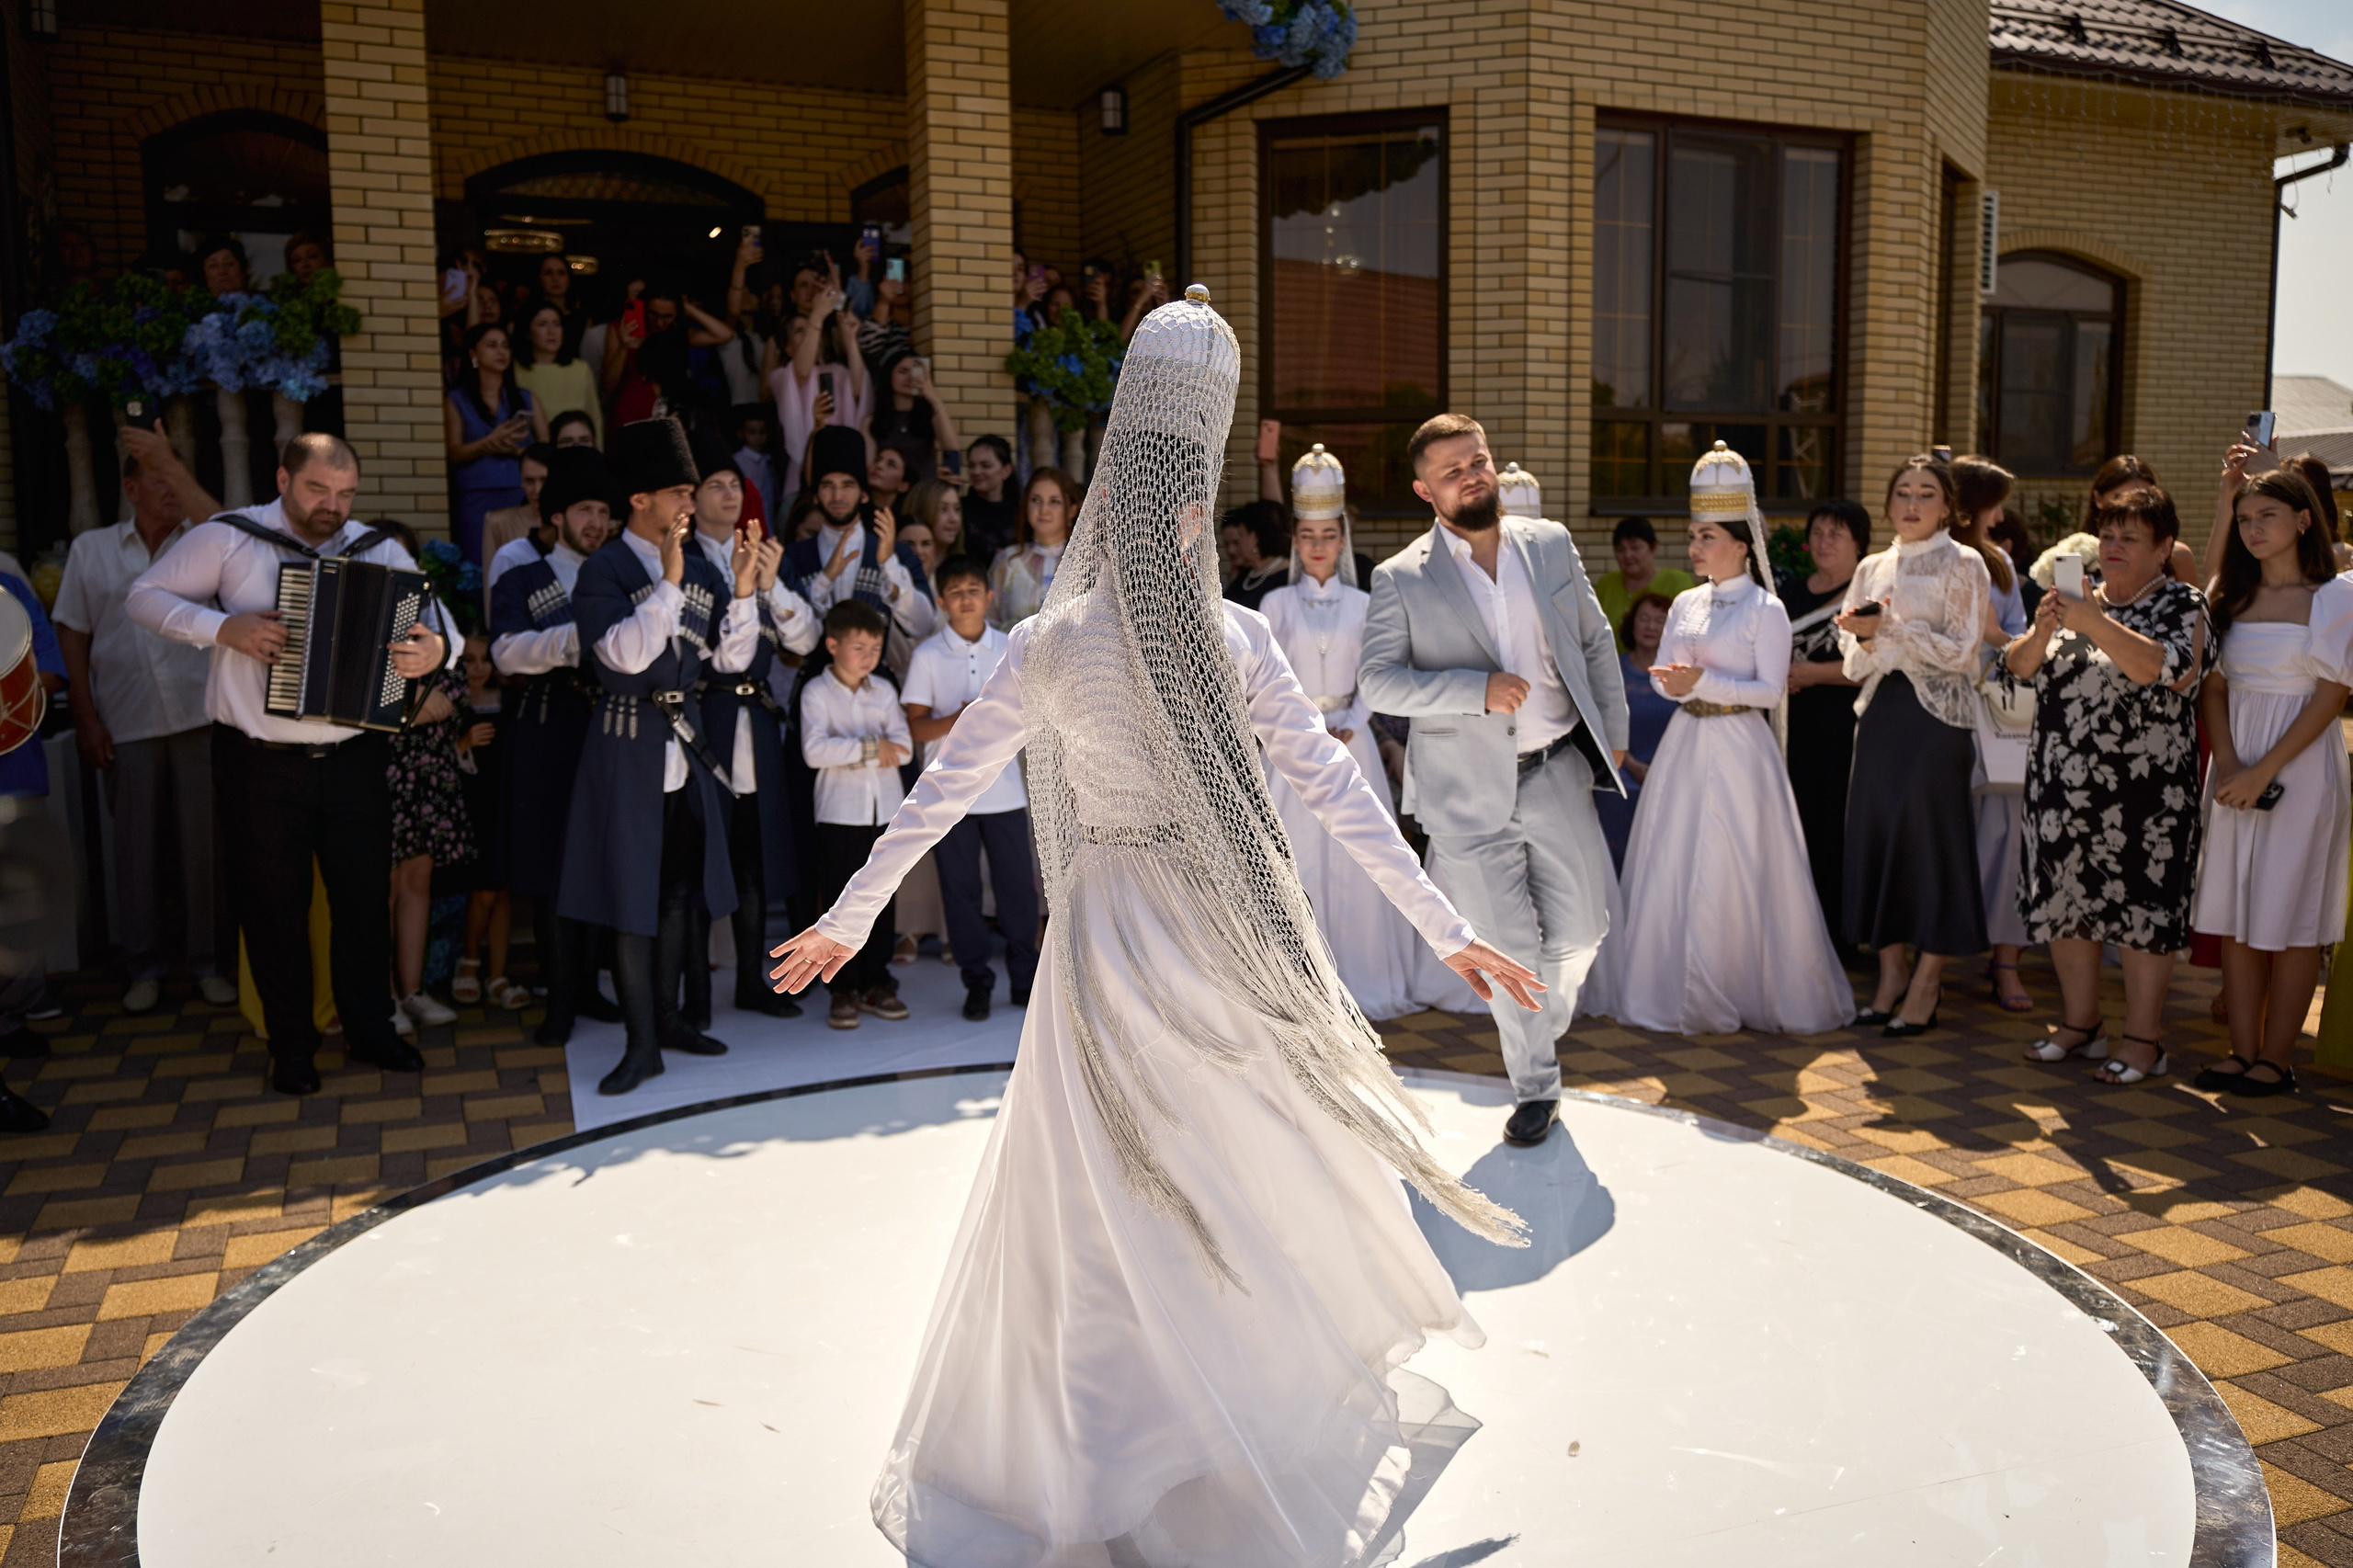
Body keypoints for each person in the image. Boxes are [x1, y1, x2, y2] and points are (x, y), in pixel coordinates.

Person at [767, 288, 1538, 1564]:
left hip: (1111, 937)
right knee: (1219, 1175)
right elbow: (1336, 793)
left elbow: (943, 793)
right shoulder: (1227, 638)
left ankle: (1121, 1435)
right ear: (1183, 514)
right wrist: (1446, 923)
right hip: (1201, 930)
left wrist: (853, 915)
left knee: (1105, 1195)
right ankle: (1193, 1428)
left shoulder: (1054, 643)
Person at [127, 434, 453, 1095]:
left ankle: (370, 1029)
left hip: (355, 757)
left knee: (362, 904)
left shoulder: (376, 548)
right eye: (317, 490)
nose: (333, 506)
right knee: (273, 909)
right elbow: (144, 596)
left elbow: (436, 624)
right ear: (283, 479)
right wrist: (224, 629)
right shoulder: (229, 538)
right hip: (259, 763)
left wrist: (434, 649)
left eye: (345, 494)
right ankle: (293, 1047)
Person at [1360, 411, 1630, 1146]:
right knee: (1507, 950)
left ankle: (1538, 1026)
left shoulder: (1549, 545)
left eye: (1477, 460)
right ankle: (1535, 1086)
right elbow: (1378, 683)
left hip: (1554, 770)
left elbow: (1595, 641)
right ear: (1425, 490)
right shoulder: (1401, 577)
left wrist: (1612, 733)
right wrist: (1471, 690)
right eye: (1453, 471)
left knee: (1581, 935)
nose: (1472, 475)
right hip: (1461, 794)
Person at [1592, 444, 1851, 1034]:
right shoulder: (1684, 601)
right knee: (1675, 857)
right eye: (1693, 535)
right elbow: (1669, 679)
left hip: (1740, 748)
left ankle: (1741, 983)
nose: (1696, 546)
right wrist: (1680, 685)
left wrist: (1701, 680)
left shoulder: (1767, 610)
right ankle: (1670, 985)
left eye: (1707, 536)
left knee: (1740, 861)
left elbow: (1771, 691)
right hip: (1688, 742)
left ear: (1740, 542)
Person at [560, 418, 760, 1095]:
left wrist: (741, 591)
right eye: (680, 491)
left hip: (686, 749)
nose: (690, 503)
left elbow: (726, 659)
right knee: (631, 901)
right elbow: (622, 657)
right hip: (627, 749)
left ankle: (670, 1022)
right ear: (641, 499)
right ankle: (640, 1042)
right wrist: (669, 584)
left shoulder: (704, 566)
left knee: (678, 896)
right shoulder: (605, 567)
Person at [1259, 445, 1477, 1017]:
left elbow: (1374, 678)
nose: (1317, 546)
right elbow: (1262, 680)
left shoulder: (1365, 602)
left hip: (1353, 746)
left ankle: (1362, 976)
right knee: (1296, 858)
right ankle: (1297, 987)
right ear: (1296, 540)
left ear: (1342, 537)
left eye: (1328, 535)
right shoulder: (1275, 604)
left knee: (1360, 859)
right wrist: (1309, 728)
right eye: (1307, 535)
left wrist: (1351, 727)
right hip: (1291, 746)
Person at [2004, 484, 2211, 1084]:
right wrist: (2044, 631)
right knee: (2067, 903)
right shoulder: (2074, 596)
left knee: (2144, 911)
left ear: (2164, 546)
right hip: (2061, 786)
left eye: (2130, 537)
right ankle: (2081, 1025)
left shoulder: (2183, 603)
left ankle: (2145, 1040)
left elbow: (2166, 671)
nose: (2114, 546)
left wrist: (2096, 622)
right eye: (2109, 534)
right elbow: (2016, 669)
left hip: (2147, 794)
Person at [53, 428, 233, 1013]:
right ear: (130, 487)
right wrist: (86, 718)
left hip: (198, 717)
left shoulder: (206, 542)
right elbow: (72, 636)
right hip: (126, 721)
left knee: (205, 850)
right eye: (158, 477)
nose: (169, 488)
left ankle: (207, 963)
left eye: (174, 474)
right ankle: (144, 968)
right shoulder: (93, 550)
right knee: (136, 852)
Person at [2190, 469, 2348, 1097]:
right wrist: (2229, 763)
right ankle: (2243, 1052)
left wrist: (2264, 770)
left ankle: (2277, 1060)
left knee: (2291, 912)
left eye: (2267, 517)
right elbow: (2215, 685)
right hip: (2234, 766)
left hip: (2300, 765)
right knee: (2235, 909)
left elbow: (2332, 695)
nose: (2254, 529)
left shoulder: (2335, 597)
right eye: (2246, 518)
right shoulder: (2230, 595)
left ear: (2304, 520)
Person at [1836, 455, 1991, 1037]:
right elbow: (1852, 663)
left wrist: (1892, 629)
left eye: (1926, 493)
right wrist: (1870, 639)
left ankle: (1928, 981)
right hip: (1879, 716)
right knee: (1877, 843)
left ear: (1948, 506)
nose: (1912, 503)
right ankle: (1891, 975)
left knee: (1930, 845)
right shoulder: (1873, 566)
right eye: (1903, 491)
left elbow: (1961, 652)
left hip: (1936, 724)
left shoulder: (1964, 561)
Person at [489, 446, 620, 1045]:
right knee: (550, 869)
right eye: (584, 510)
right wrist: (577, 639)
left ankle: (590, 987)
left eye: (603, 510)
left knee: (599, 861)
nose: (596, 521)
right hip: (546, 727)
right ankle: (560, 999)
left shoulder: (621, 573)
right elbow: (507, 651)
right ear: (557, 514)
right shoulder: (521, 574)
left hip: (607, 729)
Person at [686, 430, 817, 1021]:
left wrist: (769, 584)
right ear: (692, 498)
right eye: (714, 487)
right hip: (707, 717)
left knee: (754, 859)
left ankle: (750, 980)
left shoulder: (761, 553)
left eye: (734, 487)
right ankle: (690, 995)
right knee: (698, 853)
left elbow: (806, 639)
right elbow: (716, 658)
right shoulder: (685, 562)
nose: (729, 496)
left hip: (757, 723)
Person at [900, 557, 1040, 1020]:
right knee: (960, 893)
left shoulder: (1010, 646)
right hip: (947, 796)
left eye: (973, 589)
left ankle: (1025, 981)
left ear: (989, 596)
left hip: (1004, 792)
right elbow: (916, 729)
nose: (965, 598)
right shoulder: (927, 655)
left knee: (1017, 892)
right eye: (955, 591)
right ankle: (976, 981)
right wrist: (958, 718)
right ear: (941, 601)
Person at [799, 600, 915, 1029]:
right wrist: (870, 747)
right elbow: (814, 752)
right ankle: (840, 987)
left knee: (882, 897)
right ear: (832, 645)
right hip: (839, 813)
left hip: (884, 809)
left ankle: (877, 980)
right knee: (838, 899)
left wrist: (849, 749)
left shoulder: (883, 690)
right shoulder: (816, 692)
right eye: (859, 647)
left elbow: (902, 747)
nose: (869, 656)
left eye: (875, 648)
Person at [1952, 454, 2037, 1013]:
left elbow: (2007, 636)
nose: (2001, 513)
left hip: (1995, 711)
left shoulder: (2000, 563)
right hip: (1939, 710)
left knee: (2007, 838)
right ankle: (1932, 953)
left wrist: (2008, 640)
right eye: (1994, 501)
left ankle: (2006, 962)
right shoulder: (1931, 560)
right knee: (1946, 833)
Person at [382, 523, 474, 1033]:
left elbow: (458, 684)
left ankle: (412, 991)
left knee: (418, 880)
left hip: (430, 766)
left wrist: (433, 706)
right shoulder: (361, 613)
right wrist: (410, 710)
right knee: (382, 885)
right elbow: (348, 690)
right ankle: (382, 998)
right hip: (378, 765)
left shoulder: (435, 614)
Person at [1778, 499, 1868, 938]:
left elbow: (1876, 664)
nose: (1824, 542)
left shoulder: (1865, 598)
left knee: (1832, 828)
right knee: (1793, 825)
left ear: (1858, 544)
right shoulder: (1789, 593)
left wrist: (1814, 674)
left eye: (1836, 534)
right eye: (1817, 533)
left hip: (1840, 730)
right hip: (1789, 729)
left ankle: (1836, 932)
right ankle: (1795, 930)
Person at [788, 426, 937, 662]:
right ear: (815, 496)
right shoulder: (793, 557)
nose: (837, 496)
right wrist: (824, 579)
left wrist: (889, 565)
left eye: (848, 485)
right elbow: (792, 641)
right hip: (813, 685)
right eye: (827, 486)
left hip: (876, 688)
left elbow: (922, 625)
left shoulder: (896, 553)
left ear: (864, 495)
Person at [448, 631, 525, 1011]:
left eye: (484, 660)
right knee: (484, 890)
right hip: (469, 809)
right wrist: (462, 744)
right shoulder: (450, 703)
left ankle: (497, 974)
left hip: (506, 805)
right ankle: (470, 961)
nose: (477, 668)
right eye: (468, 660)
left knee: (503, 891)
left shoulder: (510, 702)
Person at [444, 322, 548, 564]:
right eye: (491, 345)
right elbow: (454, 453)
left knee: (526, 565)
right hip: (477, 497)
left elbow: (546, 449)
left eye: (505, 346)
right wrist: (488, 443)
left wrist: (516, 451)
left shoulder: (526, 397)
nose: (501, 352)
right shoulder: (456, 399)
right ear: (473, 353)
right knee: (481, 566)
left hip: (522, 493)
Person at [1594, 591, 1677, 869]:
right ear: (1631, 624)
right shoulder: (1614, 669)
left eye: (1659, 621)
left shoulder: (1679, 675)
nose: (1651, 627)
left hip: (1671, 773)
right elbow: (1601, 722)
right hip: (1623, 770)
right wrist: (1631, 764)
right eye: (1644, 619)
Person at [988, 467, 1079, 630]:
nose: (1044, 510)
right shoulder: (1008, 561)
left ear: (1072, 509)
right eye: (1036, 500)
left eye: (1054, 501)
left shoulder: (1089, 563)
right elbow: (990, 622)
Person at [1593, 516, 1698, 650]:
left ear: (1653, 548)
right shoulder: (1606, 584)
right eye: (1620, 549)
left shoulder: (1678, 582)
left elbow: (1689, 634)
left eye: (1635, 548)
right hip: (1611, 667)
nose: (1627, 555)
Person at [514, 301, 600, 449]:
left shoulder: (580, 368)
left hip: (578, 454)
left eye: (557, 324)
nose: (551, 331)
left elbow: (594, 417)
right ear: (527, 332)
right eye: (542, 324)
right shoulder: (514, 370)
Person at [477, 443, 553, 603]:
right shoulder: (498, 523)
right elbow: (492, 589)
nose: (537, 489)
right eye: (529, 481)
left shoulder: (568, 522)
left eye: (544, 480)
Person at [868, 347, 961, 472]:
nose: (910, 377)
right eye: (903, 371)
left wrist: (935, 400)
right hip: (887, 489)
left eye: (916, 372)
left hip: (923, 489)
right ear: (889, 375)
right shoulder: (872, 420)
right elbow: (869, 465)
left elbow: (952, 451)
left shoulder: (930, 416)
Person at [1221, 500, 1290, 611]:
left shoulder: (1287, 577)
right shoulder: (1246, 574)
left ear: (1254, 538)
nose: (1239, 541)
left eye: (1241, 535)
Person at [961, 434, 1018, 560]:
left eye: (985, 466)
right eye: (971, 466)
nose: (976, 472)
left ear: (1006, 470)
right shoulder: (960, 509)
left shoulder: (1021, 512)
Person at [732, 403, 780, 521]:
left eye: (762, 432)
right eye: (752, 433)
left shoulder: (769, 460)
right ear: (741, 434)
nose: (758, 438)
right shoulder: (738, 461)